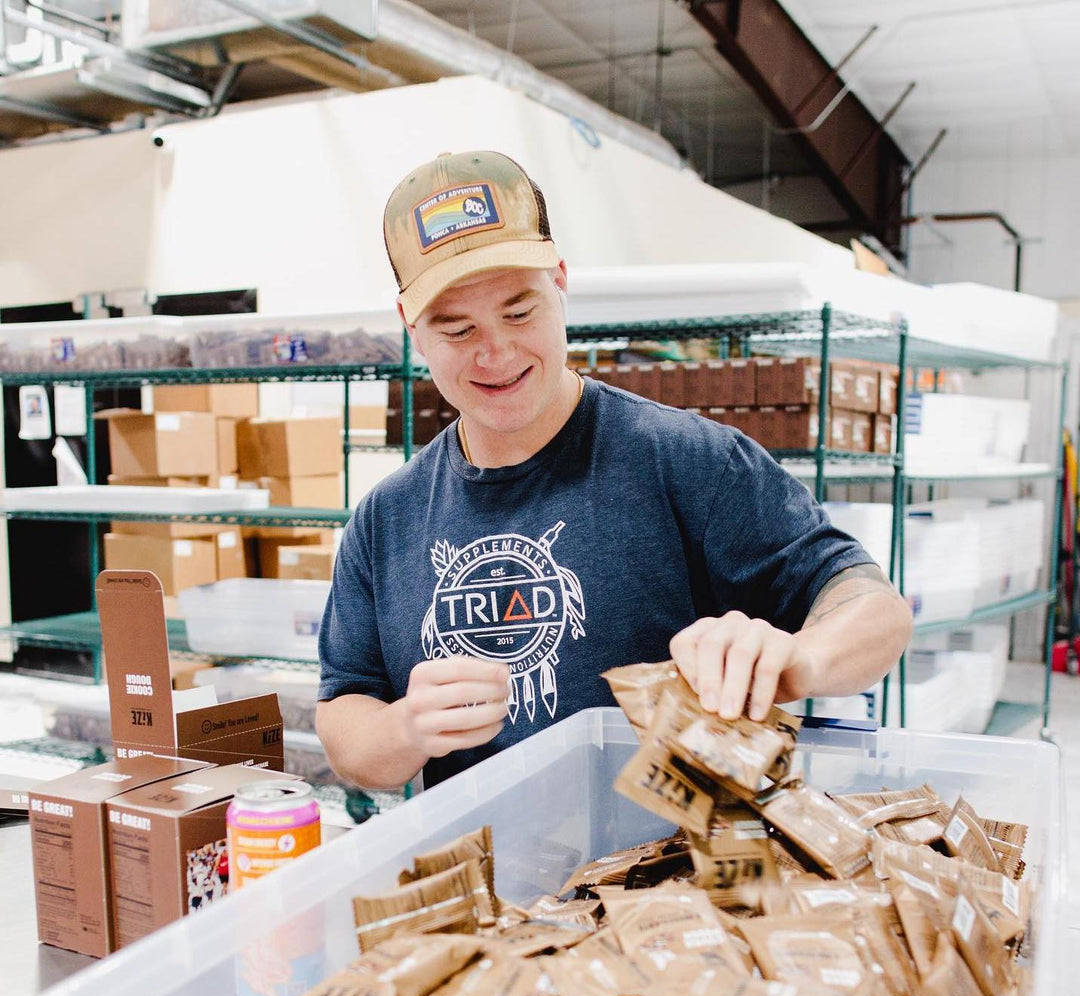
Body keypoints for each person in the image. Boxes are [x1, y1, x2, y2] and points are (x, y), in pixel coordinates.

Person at [317, 150, 913, 791]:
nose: (496, 352)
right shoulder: (388, 518)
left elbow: (875, 610)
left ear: (561, 283)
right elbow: (346, 720)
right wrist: (406, 729)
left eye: (520, 312)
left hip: (665, 881)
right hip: (487, 879)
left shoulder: (688, 463)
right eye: (457, 329)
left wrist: (799, 658)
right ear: (411, 325)